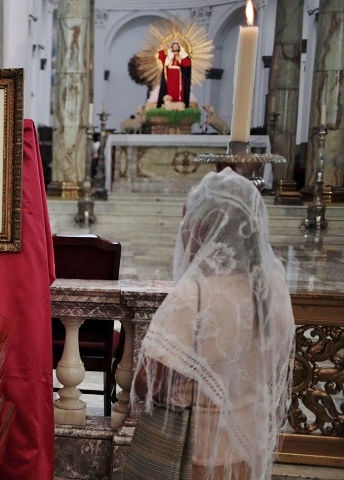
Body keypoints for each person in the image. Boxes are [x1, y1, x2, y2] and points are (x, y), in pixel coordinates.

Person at [130, 168, 295, 479]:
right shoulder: (271, 285)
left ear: (206, 231)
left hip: (197, 453)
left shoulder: (194, 296)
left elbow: (147, 385)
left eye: (186, 224)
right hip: (250, 445)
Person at [156, 41, 192, 108]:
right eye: (174, 46)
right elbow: (161, 57)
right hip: (170, 76)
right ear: (171, 48)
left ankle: (179, 104)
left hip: (178, 76)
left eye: (176, 46)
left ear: (179, 47)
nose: (175, 47)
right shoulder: (169, 57)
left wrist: (180, 60)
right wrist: (162, 49)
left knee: (178, 90)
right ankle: (169, 104)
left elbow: (188, 64)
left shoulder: (183, 56)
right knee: (170, 89)